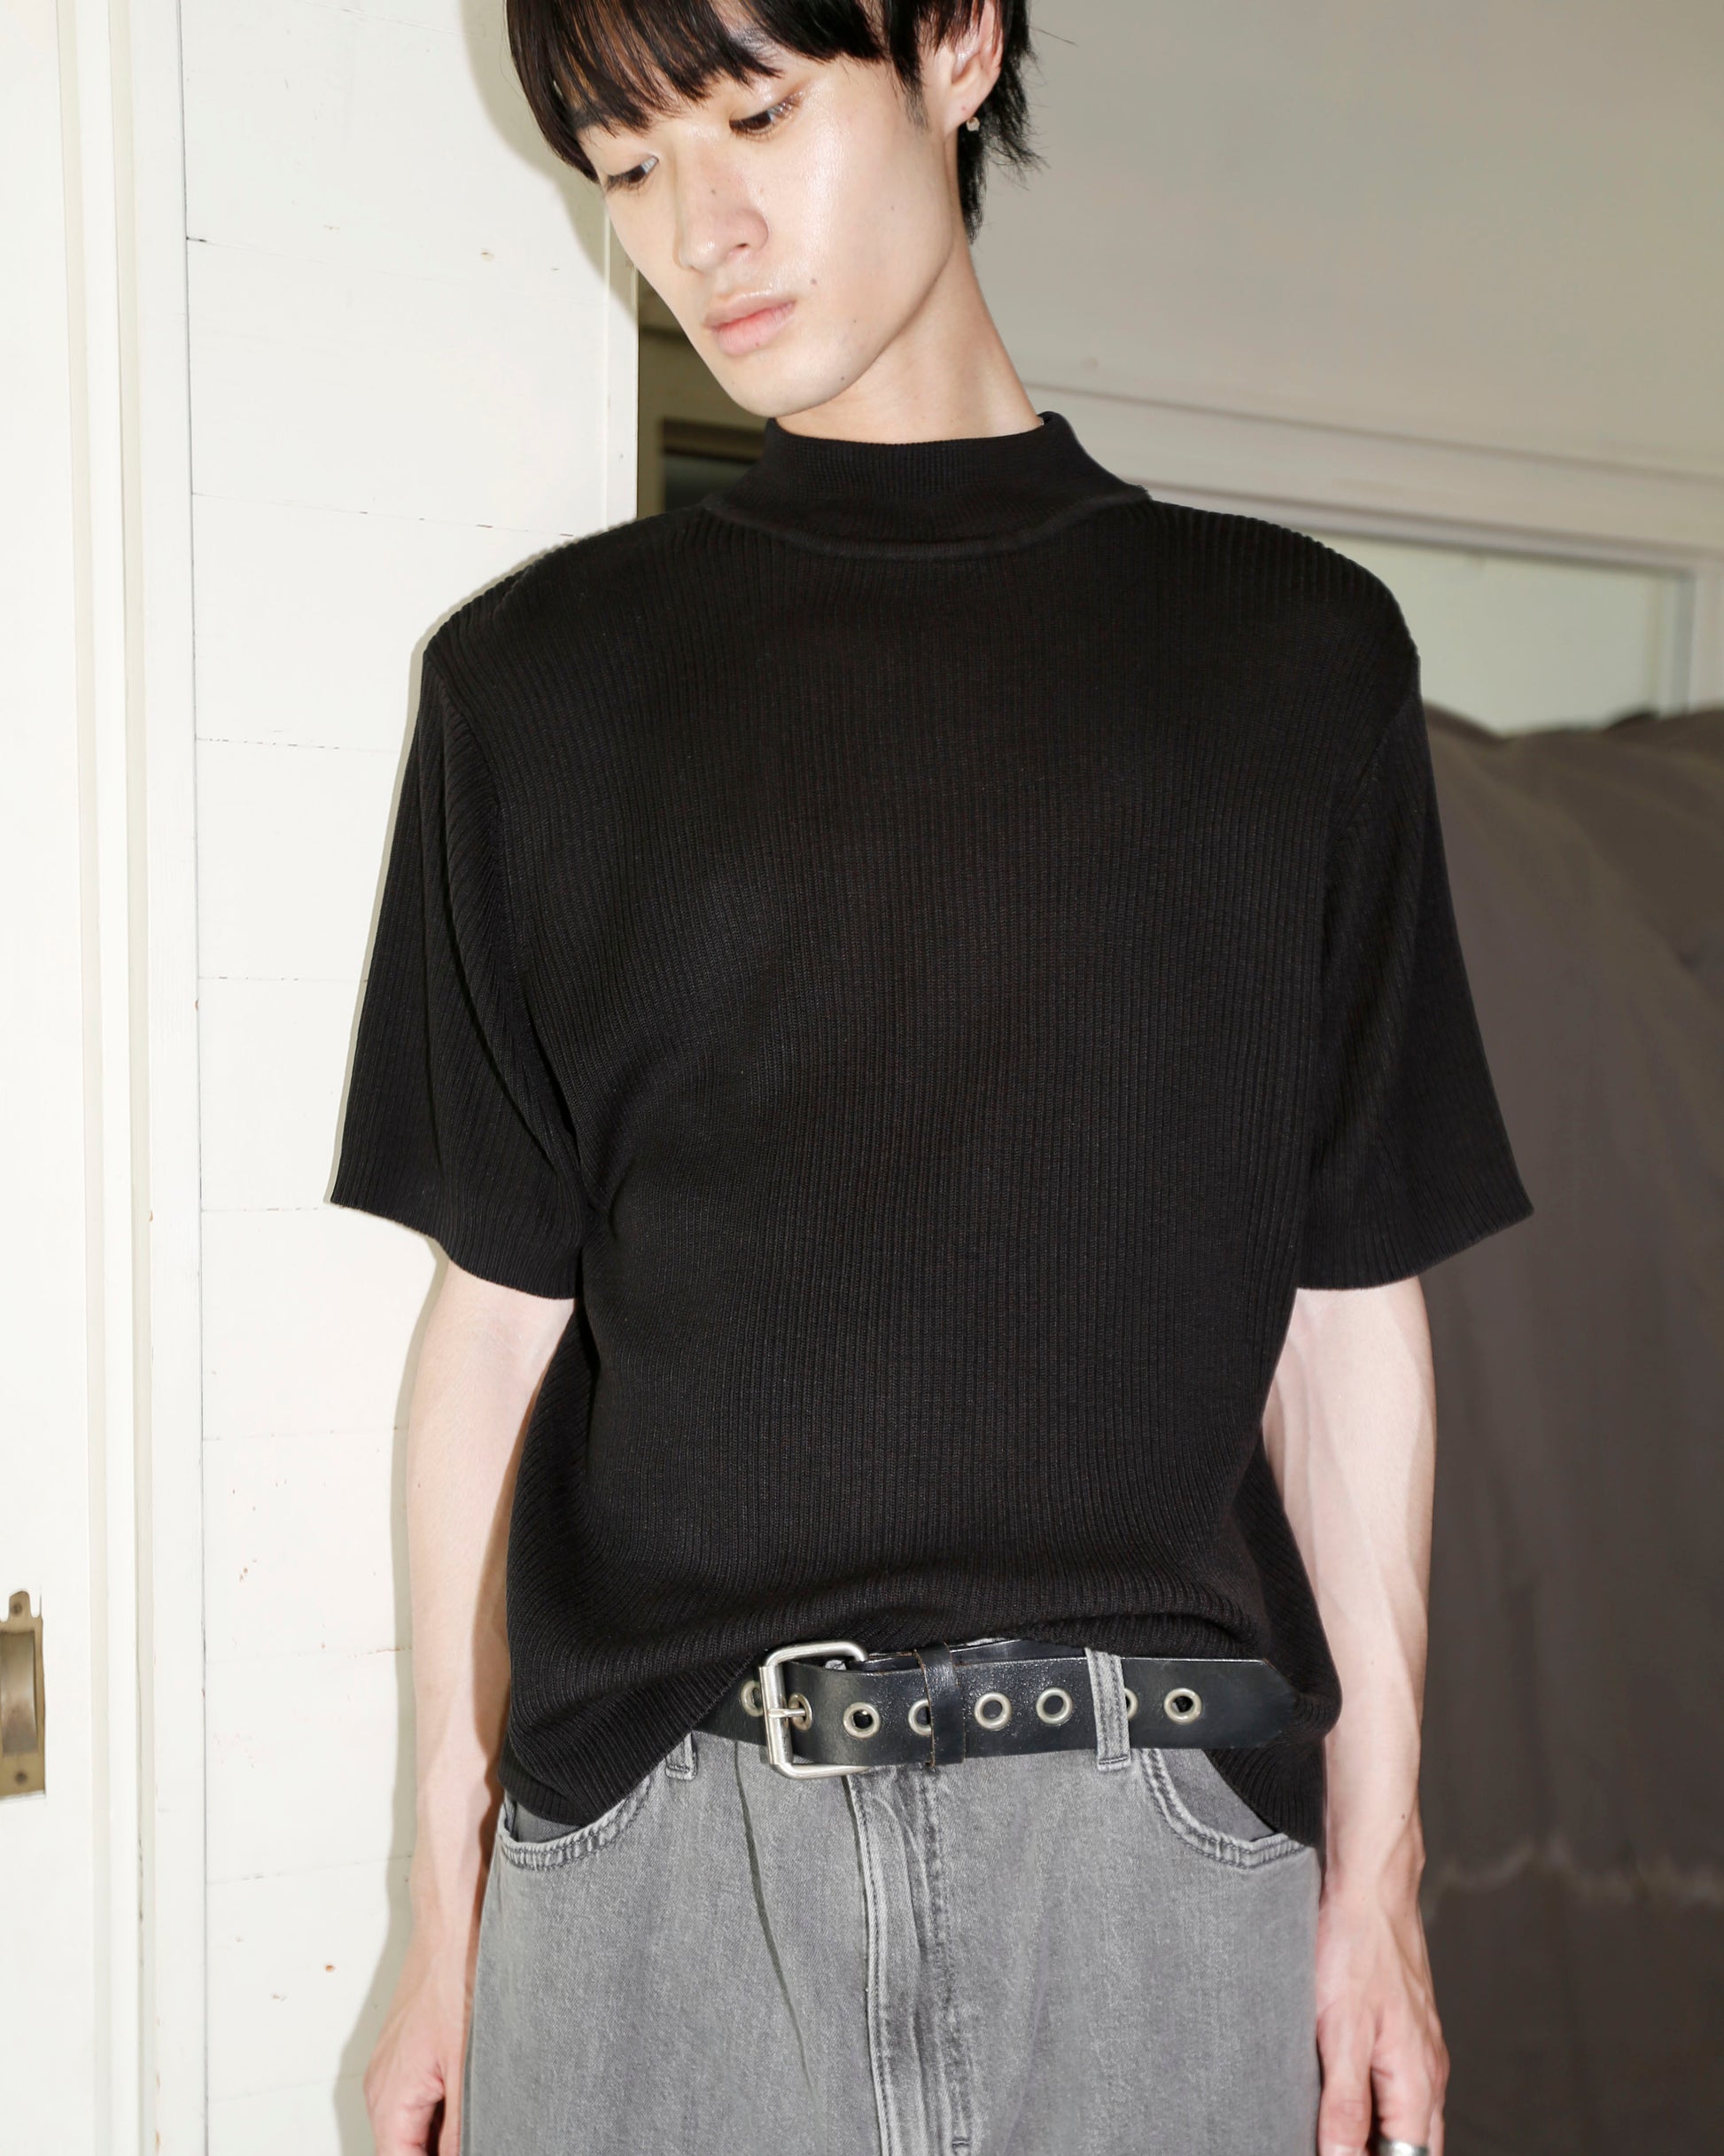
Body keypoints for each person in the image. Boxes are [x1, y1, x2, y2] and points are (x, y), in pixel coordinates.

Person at [330, 3, 1534, 2152]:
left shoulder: (1290, 663)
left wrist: (1382, 1870)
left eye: (755, 110)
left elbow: (1344, 1312)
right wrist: (444, 1888)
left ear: (959, 43)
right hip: (664, 1866)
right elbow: (491, 1325)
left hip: (1147, 1851)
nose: (698, 228)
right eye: (627, 165)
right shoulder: (536, 690)